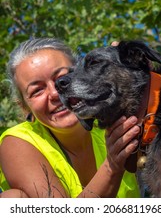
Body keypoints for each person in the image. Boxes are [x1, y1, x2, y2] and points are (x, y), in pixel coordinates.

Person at [0, 37, 140, 198]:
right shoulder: (16, 143)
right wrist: (112, 166)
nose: (54, 93)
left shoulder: (112, 119)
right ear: (24, 107)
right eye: (37, 91)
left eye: (62, 79)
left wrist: (127, 65)